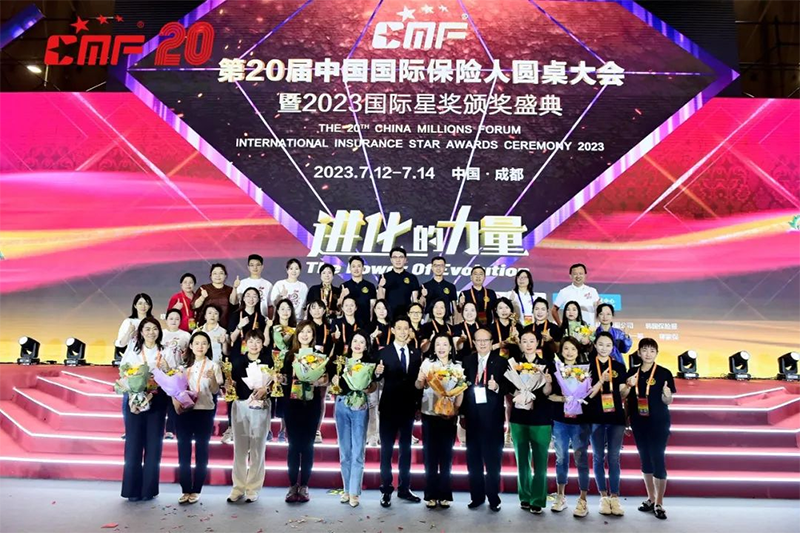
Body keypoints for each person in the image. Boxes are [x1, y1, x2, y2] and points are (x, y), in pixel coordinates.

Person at [120, 317, 179, 501]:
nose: (151, 332)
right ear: (141, 332)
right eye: (147, 329)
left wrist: (167, 369)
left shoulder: (166, 351)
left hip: (157, 399)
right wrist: (132, 394)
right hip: (135, 398)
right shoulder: (134, 349)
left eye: (154, 329)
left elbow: (174, 376)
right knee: (133, 444)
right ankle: (131, 490)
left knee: (154, 445)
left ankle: (149, 490)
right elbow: (123, 372)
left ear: (159, 332)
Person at [374, 315, 423, 507]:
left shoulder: (416, 353)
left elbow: (417, 382)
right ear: (393, 330)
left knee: (406, 449)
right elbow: (376, 378)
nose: (403, 332)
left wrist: (418, 406)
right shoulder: (383, 353)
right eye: (399, 328)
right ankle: (386, 490)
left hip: (408, 407)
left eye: (406, 328)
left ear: (410, 331)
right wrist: (377, 373)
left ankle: (404, 488)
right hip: (388, 407)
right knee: (386, 450)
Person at [626, 338, 676, 521]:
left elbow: (668, 400)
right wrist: (626, 420)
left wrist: (667, 396)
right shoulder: (632, 372)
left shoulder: (664, 373)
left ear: (656, 353)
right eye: (645, 350)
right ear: (639, 353)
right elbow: (626, 398)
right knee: (645, 459)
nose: (648, 354)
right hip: (638, 422)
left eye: (652, 351)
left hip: (658, 422)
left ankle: (660, 503)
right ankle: (651, 498)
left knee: (658, 459)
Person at [461, 328, 510, 512]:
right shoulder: (467, 361)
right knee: (473, 460)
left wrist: (497, 387)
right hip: (472, 417)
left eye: (485, 340)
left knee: (493, 461)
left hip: (493, 419)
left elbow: (509, 386)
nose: (482, 343)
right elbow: (461, 388)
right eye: (478, 340)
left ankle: (493, 497)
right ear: (474, 342)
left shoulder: (501, 362)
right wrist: (462, 414)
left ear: (491, 342)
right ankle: (476, 496)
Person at [282, 321, 329, 503]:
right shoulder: (289, 356)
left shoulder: (318, 356)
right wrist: (281, 378)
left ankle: (304, 486)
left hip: (311, 404)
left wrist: (318, 381)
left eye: (309, 332)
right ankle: (292, 484)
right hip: (292, 404)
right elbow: (284, 378)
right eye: (302, 331)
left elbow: (325, 378)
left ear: (313, 335)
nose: (305, 335)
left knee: (308, 446)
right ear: (297, 334)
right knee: (293, 446)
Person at [415, 332, 463, 509]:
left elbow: (461, 390)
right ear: (434, 348)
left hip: (449, 416)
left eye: (445, 344)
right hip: (429, 413)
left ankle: (444, 494)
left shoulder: (457, 366)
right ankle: (430, 494)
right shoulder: (427, 364)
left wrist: (456, 410)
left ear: (451, 347)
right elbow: (418, 385)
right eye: (438, 344)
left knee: (446, 456)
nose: (441, 348)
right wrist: (421, 380)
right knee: (430, 455)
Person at [175, 331, 222, 504]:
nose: (200, 346)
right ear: (191, 346)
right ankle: (185, 488)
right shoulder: (182, 366)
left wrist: (213, 379)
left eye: (203, 343)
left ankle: (197, 489)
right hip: (185, 412)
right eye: (196, 343)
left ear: (208, 346)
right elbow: (175, 389)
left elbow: (216, 390)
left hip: (205, 411)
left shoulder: (213, 366)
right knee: (183, 450)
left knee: (202, 450)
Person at [509, 330, 553, 514]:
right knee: (522, 460)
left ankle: (538, 499)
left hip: (541, 418)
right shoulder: (514, 365)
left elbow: (547, 393)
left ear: (538, 343)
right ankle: (525, 496)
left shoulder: (547, 364)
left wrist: (548, 382)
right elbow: (509, 389)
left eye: (531, 341)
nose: (528, 344)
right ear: (520, 343)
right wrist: (518, 392)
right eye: (524, 341)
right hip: (519, 417)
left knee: (541, 462)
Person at [330, 330, 376, 508]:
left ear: (366, 346)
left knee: (357, 450)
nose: (358, 344)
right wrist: (334, 380)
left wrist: (367, 388)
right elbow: (332, 381)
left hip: (360, 406)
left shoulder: (369, 364)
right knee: (345, 451)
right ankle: (346, 489)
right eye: (355, 340)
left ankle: (354, 491)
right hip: (342, 404)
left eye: (362, 342)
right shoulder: (341, 361)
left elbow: (373, 385)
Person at [227, 329, 273, 503]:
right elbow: (232, 382)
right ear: (245, 343)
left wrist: (266, 389)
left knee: (257, 448)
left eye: (258, 341)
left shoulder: (269, 360)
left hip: (261, 406)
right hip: (240, 405)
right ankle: (238, 487)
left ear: (262, 344)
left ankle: (253, 488)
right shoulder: (237, 361)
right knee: (239, 448)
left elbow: (275, 383)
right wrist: (229, 385)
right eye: (251, 341)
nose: (254, 345)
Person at [548, 337, 592, 517]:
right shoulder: (556, 370)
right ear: (561, 351)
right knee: (561, 459)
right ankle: (561, 496)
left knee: (581, 459)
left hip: (580, 421)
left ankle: (583, 500)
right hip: (560, 421)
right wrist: (563, 399)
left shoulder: (586, 371)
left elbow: (590, 394)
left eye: (573, 349)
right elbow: (549, 395)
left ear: (578, 351)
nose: (569, 352)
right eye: (566, 348)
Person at [587, 332, 630, 516]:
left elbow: (622, 394)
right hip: (595, 417)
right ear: (595, 345)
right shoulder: (588, 366)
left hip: (616, 418)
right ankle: (603, 496)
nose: (604, 348)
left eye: (608, 345)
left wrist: (628, 386)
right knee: (598, 457)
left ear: (612, 348)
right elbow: (587, 393)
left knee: (614, 458)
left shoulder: (619, 366)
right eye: (601, 344)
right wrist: (600, 380)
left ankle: (615, 497)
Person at [270, 298, 298, 443]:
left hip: (289, 365)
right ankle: (267, 429)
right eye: (282, 308)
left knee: (286, 397)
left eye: (288, 309)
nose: (285, 311)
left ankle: (283, 430)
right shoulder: (271, 327)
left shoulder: (296, 329)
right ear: (277, 311)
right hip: (272, 363)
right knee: (270, 396)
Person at [162, 309, 190, 440]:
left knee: (174, 402)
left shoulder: (185, 335)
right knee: (162, 402)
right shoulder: (161, 333)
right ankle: (159, 428)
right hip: (161, 373)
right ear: (166, 320)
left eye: (177, 319)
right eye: (171, 318)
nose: (174, 321)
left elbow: (189, 354)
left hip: (177, 373)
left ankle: (170, 429)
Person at [367, 299, 391, 447]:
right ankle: (372, 434)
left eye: (384, 308)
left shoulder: (392, 328)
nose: (381, 311)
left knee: (385, 405)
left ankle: (383, 434)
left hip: (388, 369)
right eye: (378, 308)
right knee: (372, 403)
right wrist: (371, 336)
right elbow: (363, 346)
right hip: (372, 368)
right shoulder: (369, 326)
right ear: (374, 310)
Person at [552, 263, 600, 328]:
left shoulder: (593, 291)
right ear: (570, 276)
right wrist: (561, 326)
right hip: (570, 330)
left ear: (585, 275)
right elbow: (554, 310)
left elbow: (599, 310)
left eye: (580, 273)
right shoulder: (564, 292)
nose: (578, 276)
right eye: (575, 274)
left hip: (589, 330)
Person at [378, 247, 420, 317]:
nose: (398, 260)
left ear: (405, 260)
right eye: (395, 257)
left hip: (407, 315)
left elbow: (414, 300)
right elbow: (381, 300)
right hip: (389, 315)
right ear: (391, 260)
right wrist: (380, 286)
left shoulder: (412, 277)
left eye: (401, 257)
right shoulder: (385, 277)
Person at [193, 263, 234, 328]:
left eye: (221, 273)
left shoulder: (230, 290)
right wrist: (202, 297)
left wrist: (235, 288)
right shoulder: (204, 288)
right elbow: (194, 306)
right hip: (205, 326)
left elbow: (234, 305)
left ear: (225, 276)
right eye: (215, 273)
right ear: (211, 276)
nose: (218, 276)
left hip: (224, 326)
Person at [340, 255, 377, 327]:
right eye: (353, 266)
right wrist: (342, 296)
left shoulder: (370, 286)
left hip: (366, 324)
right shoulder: (344, 286)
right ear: (350, 269)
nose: (356, 269)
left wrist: (372, 323)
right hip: (348, 324)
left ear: (363, 268)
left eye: (359, 266)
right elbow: (339, 308)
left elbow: (373, 307)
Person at [531, 297, 562, 361]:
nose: (539, 312)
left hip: (549, 363)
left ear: (547, 312)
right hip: (530, 363)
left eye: (543, 309)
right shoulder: (527, 329)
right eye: (537, 309)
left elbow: (558, 350)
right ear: (532, 311)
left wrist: (551, 340)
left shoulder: (554, 328)